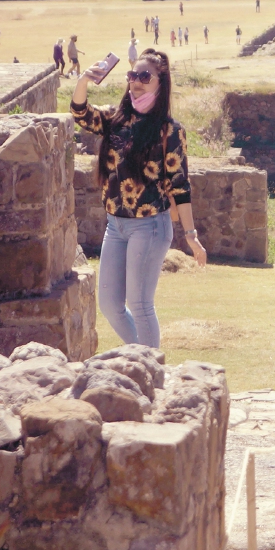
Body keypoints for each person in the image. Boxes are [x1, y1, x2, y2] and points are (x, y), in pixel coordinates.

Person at [70, 48, 205, 349]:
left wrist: (191, 235)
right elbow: (81, 113)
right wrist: (83, 80)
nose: (136, 82)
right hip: (115, 226)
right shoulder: (117, 120)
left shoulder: (170, 131)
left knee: (140, 304)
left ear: (161, 81)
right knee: (109, 305)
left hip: (150, 227)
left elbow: (180, 187)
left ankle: (150, 373)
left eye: (145, 77)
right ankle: (146, 360)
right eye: (133, 76)